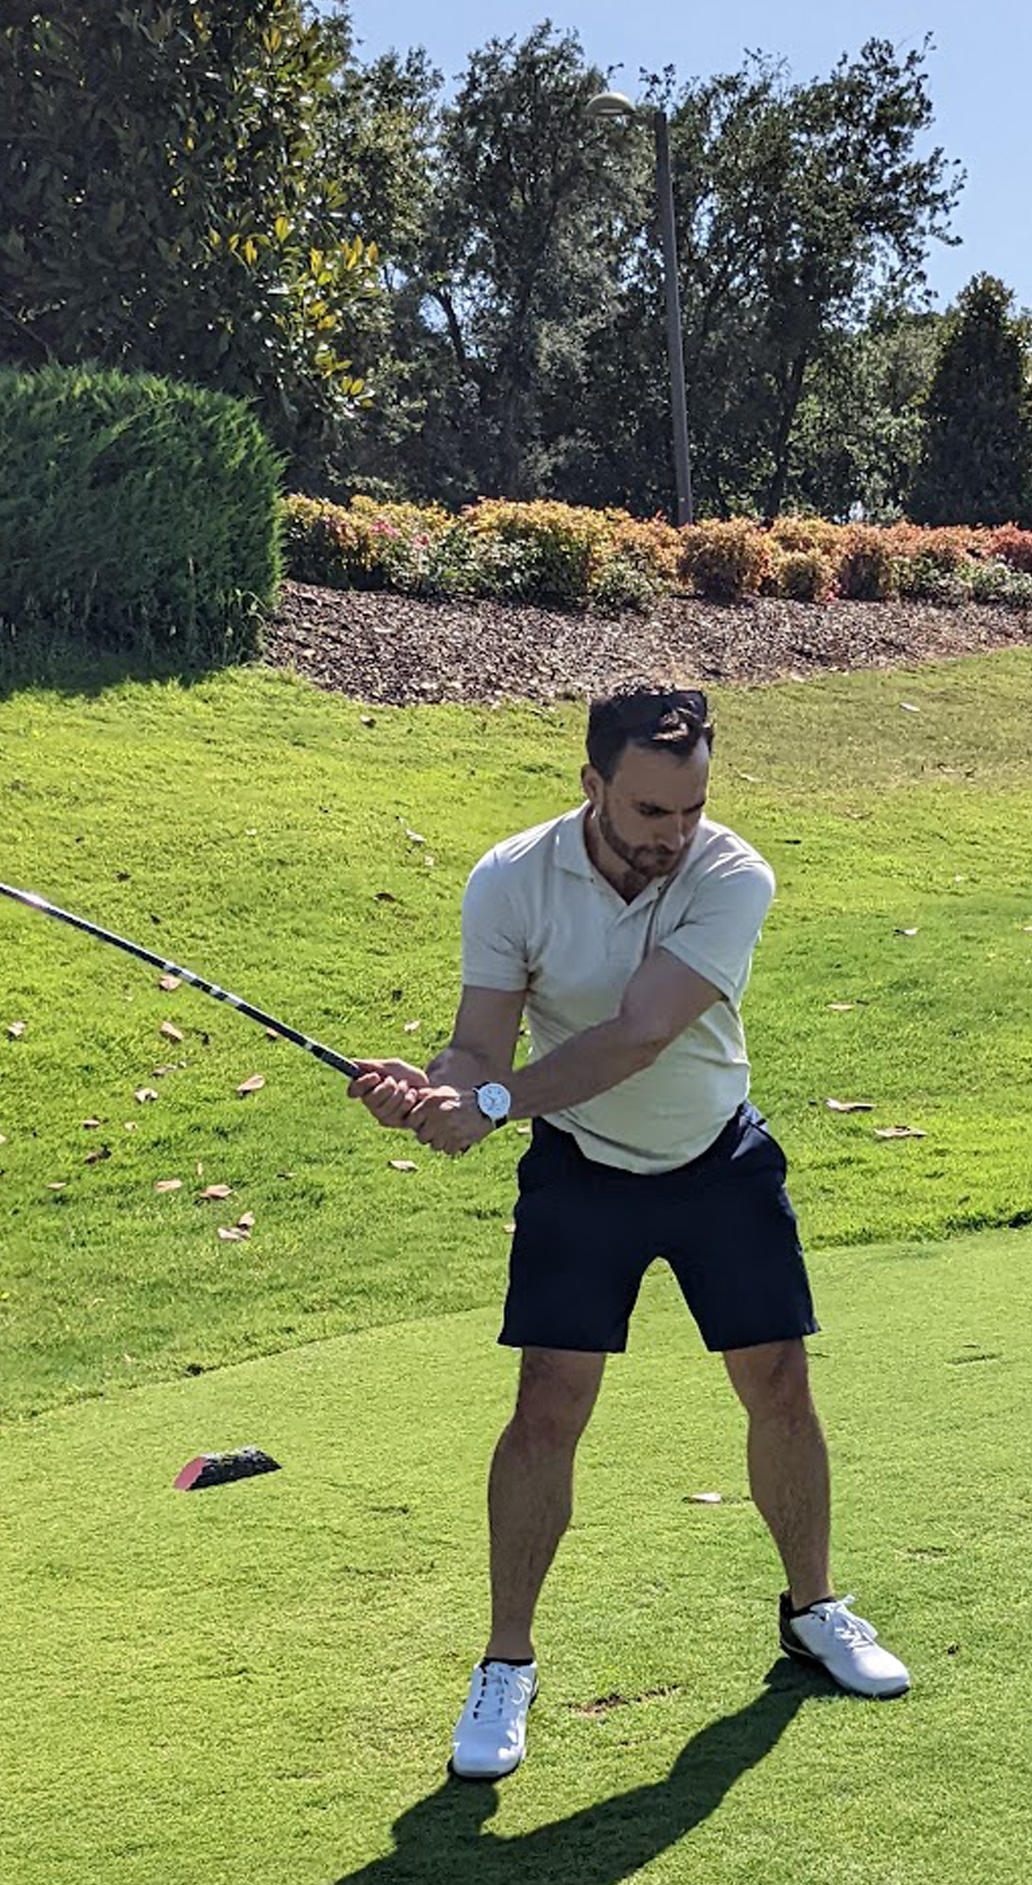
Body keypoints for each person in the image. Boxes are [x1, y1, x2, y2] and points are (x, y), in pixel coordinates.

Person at [350, 683, 909, 1781]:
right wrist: (432, 1094)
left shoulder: (732, 873)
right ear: (592, 784)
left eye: (691, 807)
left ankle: (814, 1608)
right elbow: (478, 1042)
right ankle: (507, 1662)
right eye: (652, 811)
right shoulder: (511, 878)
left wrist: (497, 1104)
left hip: (715, 1155)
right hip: (584, 1171)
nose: (676, 834)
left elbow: (643, 1030)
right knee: (546, 1409)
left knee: (780, 1387)